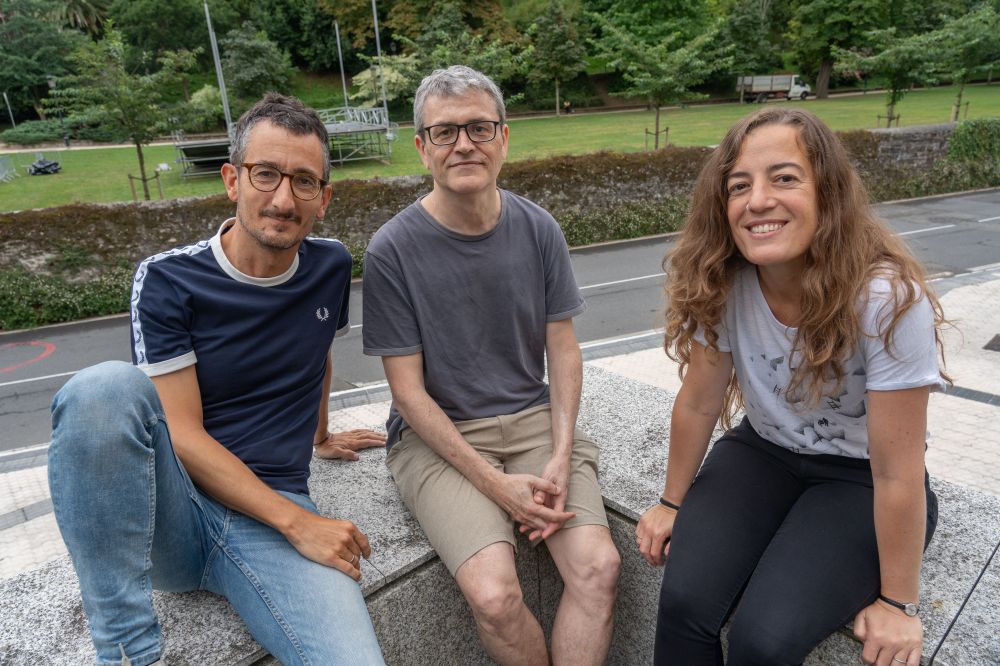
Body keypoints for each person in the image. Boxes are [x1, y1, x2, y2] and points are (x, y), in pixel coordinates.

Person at [48, 93, 387, 666]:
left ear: (324, 199)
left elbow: (317, 352)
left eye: (304, 181)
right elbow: (180, 431)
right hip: (178, 509)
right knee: (102, 389)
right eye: (266, 174)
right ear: (233, 179)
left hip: (274, 509)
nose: (283, 198)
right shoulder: (168, 280)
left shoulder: (330, 265)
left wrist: (321, 437)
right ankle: (127, 652)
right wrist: (301, 523)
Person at [636, 107, 946, 666]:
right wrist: (670, 501)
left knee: (764, 639)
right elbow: (701, 399)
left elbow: (896, 469)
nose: (757, 200)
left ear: (827, 192)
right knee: (682, 601)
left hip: (861, 480)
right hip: (764, 454)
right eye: (739, 186)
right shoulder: (723, 278)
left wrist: (900, 601)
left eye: (784, 178)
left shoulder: (885, 300)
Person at [362, 65, 620, 666]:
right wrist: (496, 485)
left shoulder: (538, 229)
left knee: (601, 569)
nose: (464, 145)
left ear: (504, 138)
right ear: (422, 148)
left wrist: (559, 454)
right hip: (438, 439)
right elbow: (408, 395)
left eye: (479, 128)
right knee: (496, 594)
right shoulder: (392, 250)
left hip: (532, 422)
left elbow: (563, 348)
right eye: (445, 132)